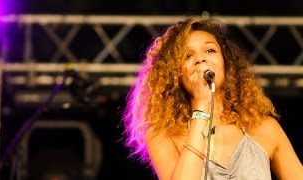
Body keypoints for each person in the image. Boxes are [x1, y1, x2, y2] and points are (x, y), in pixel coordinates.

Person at [122, 17, 303, 179]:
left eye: (210, 50)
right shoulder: (162, 134)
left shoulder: (264, 128)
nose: (201, 59)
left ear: (226, 62)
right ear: (174, 73)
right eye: (188, 55)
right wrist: (201, 106)